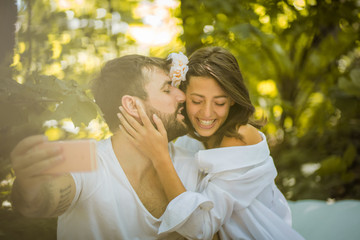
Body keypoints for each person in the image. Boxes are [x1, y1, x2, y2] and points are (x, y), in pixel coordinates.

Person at [10, 54, 205, 239]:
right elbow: (42, 200)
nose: (182, 96)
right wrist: (29, 184)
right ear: (132, 105)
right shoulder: (86, 158)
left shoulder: (194, 162)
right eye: (167, 89)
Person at [118, 47, 305, 239]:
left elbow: (201, 227)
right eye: (197, 101)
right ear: (183, 96)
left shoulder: (240, 137)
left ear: (232, 100)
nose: (207, 113)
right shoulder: (188, 142)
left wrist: (160, 157)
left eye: (219, 103)